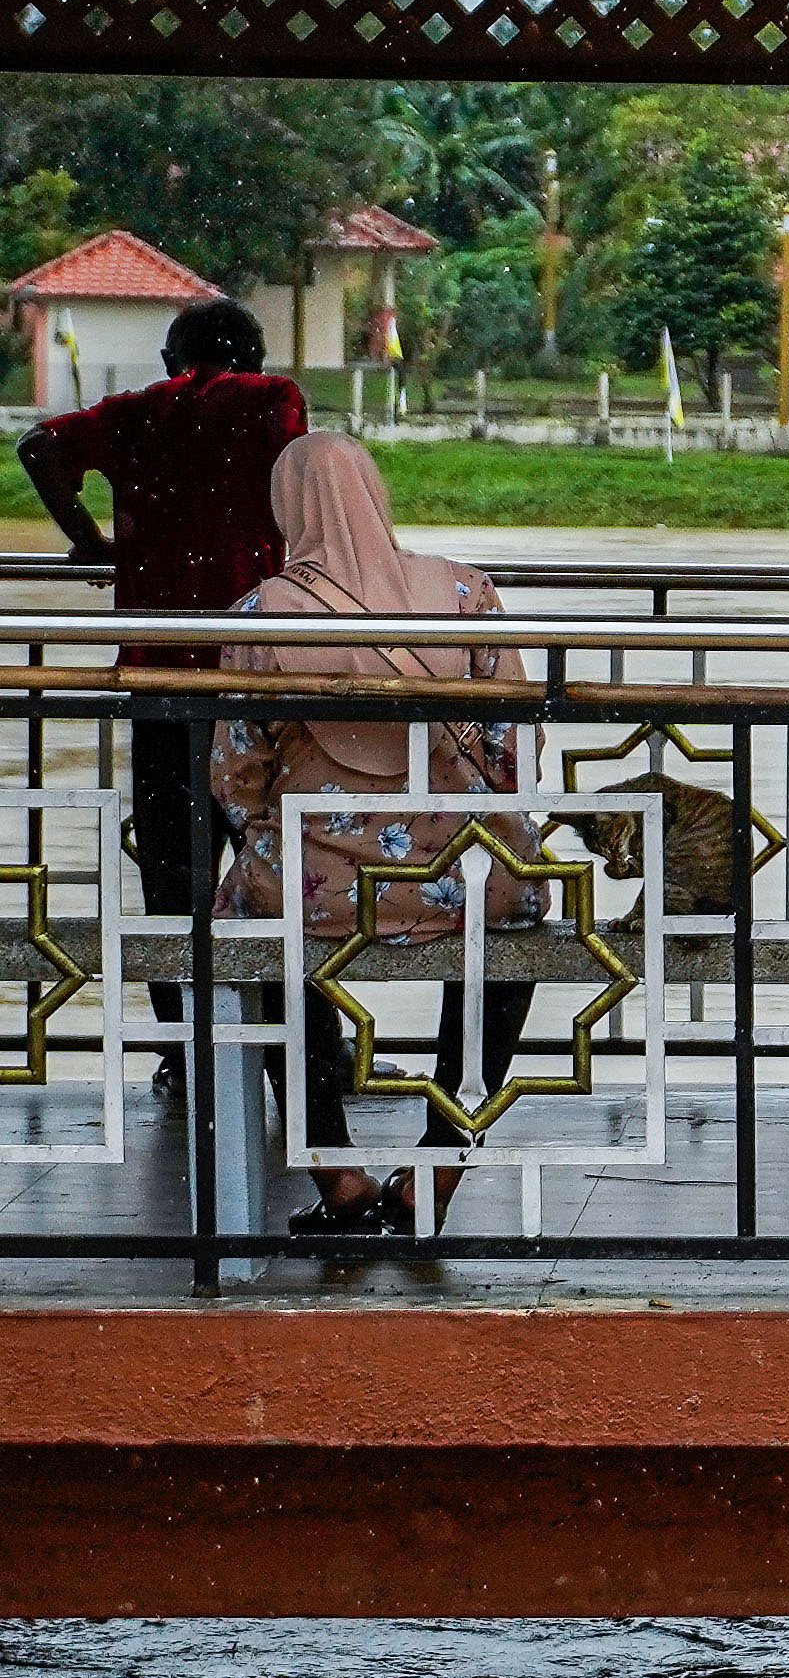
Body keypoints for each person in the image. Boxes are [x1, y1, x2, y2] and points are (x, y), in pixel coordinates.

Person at [210, 434, 541, 1242]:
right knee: (520, 914)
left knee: (256, 924)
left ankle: (338, 1170)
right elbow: (513, 748)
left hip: (315, 878)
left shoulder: (261, 612)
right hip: (465, 873)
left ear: (288, 506)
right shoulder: (465, 591)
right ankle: (443, 1159)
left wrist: (280, 825)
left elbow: (237, 773)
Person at [17, 295, 306, 1082]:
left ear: (171, 361)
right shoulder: (270, 401)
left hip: (158, 670)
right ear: (253, 356)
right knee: (277, 859)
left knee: (174, 866)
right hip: (254, 671)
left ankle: (186, 1048)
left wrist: (90, 541)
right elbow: (298, 493)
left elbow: (38, 447)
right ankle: (291, 1051)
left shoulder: (139, 413)